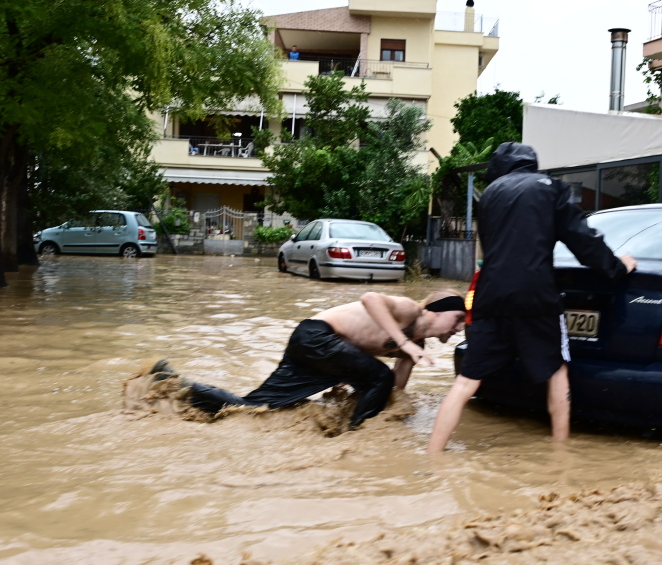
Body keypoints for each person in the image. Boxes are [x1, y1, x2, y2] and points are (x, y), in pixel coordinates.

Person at [427, 142, 637, 453]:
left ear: (500, 168)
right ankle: (559, 457)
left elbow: (494, 249)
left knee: (467, 380)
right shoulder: (550, 188)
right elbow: (582, 240)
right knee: (556, 371)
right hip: (535, 296)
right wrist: (616, 268)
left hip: (489, 296)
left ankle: (433, 454)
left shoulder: (490, 195)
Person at [154, 290, 466, 428]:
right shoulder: (409, 309)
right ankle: (358, 436)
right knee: (378, 376)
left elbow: (393, 390)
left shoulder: (417, 344)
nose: (457, 328)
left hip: (321, 354)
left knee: (255, 408)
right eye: (455, 319)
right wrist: (402, 342)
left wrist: (393, 412)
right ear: (435, 309)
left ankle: (173, 384)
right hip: (316, 336)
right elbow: (370, 299)